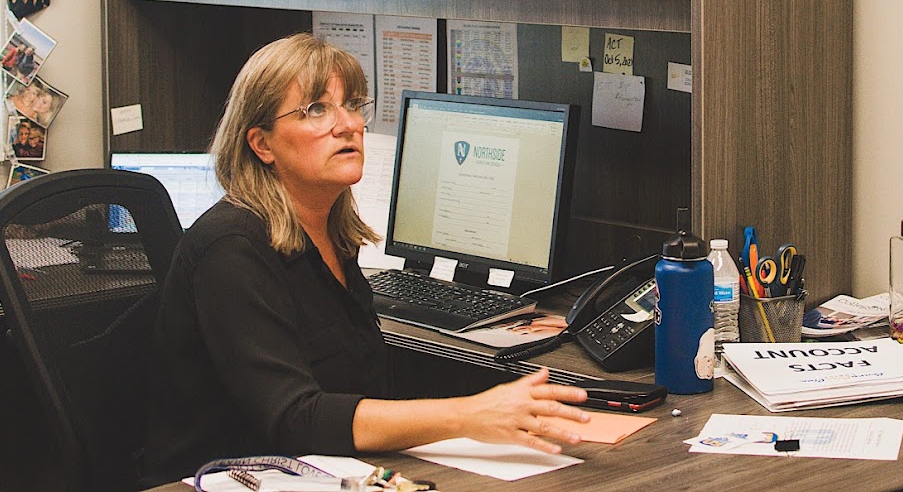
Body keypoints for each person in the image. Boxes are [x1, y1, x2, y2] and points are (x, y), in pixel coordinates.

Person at [140, 33, 590, 485]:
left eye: (352, 105)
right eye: (316, 109)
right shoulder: (231, 249)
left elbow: (363, 383)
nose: (348, 124)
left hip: (324, 467)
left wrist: (496, 410)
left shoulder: (330, 232)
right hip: (228, 477)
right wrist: (470, 415)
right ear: (262, 144)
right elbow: (294, 417)